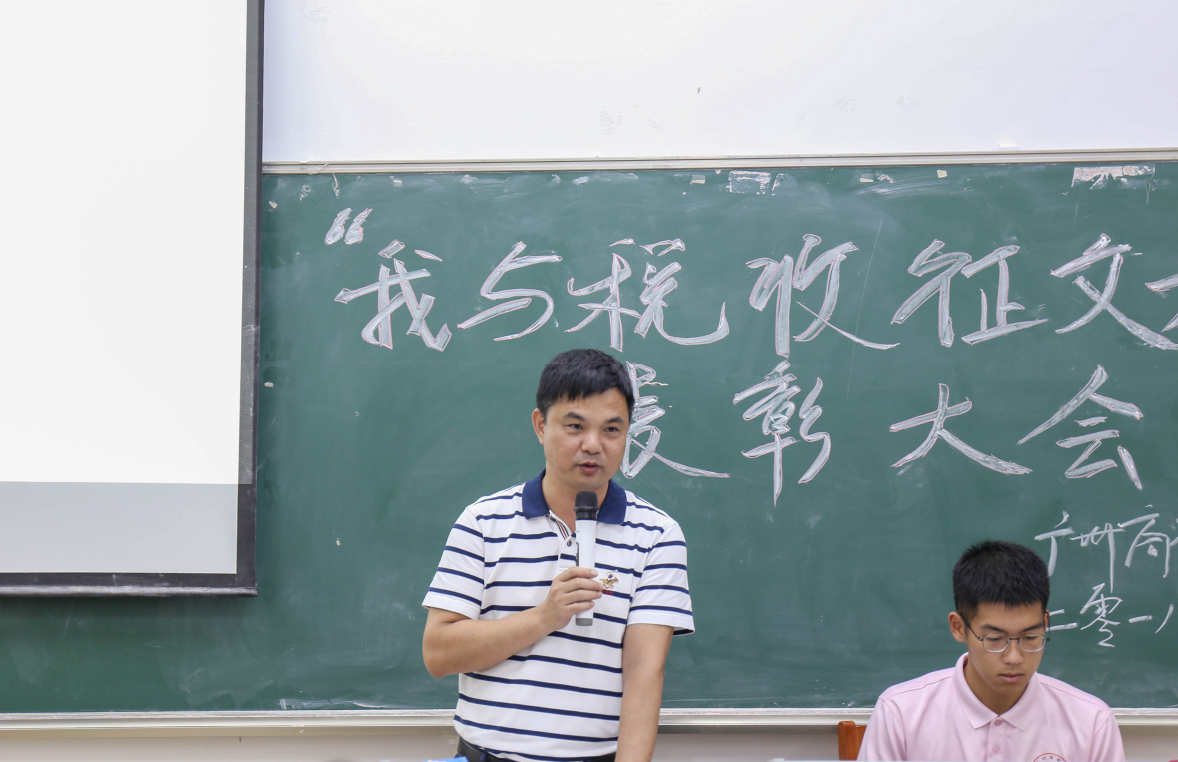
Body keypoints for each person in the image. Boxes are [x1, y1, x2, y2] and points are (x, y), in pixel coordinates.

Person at [422, 348, 694, 762]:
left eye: (612, 429)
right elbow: (439, 654)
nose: (593, 445)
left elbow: (644, 674)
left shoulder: (657, 535)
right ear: (540, 425)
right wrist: (544, 617)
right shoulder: (482, 521)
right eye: (575, 426)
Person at [858, 540, 1125, 762]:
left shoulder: (1090, 722)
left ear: (1045, 624)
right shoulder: (901, 714)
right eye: (995, 639)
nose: (1014, 657)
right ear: (958, 627)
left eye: (1030, 637)